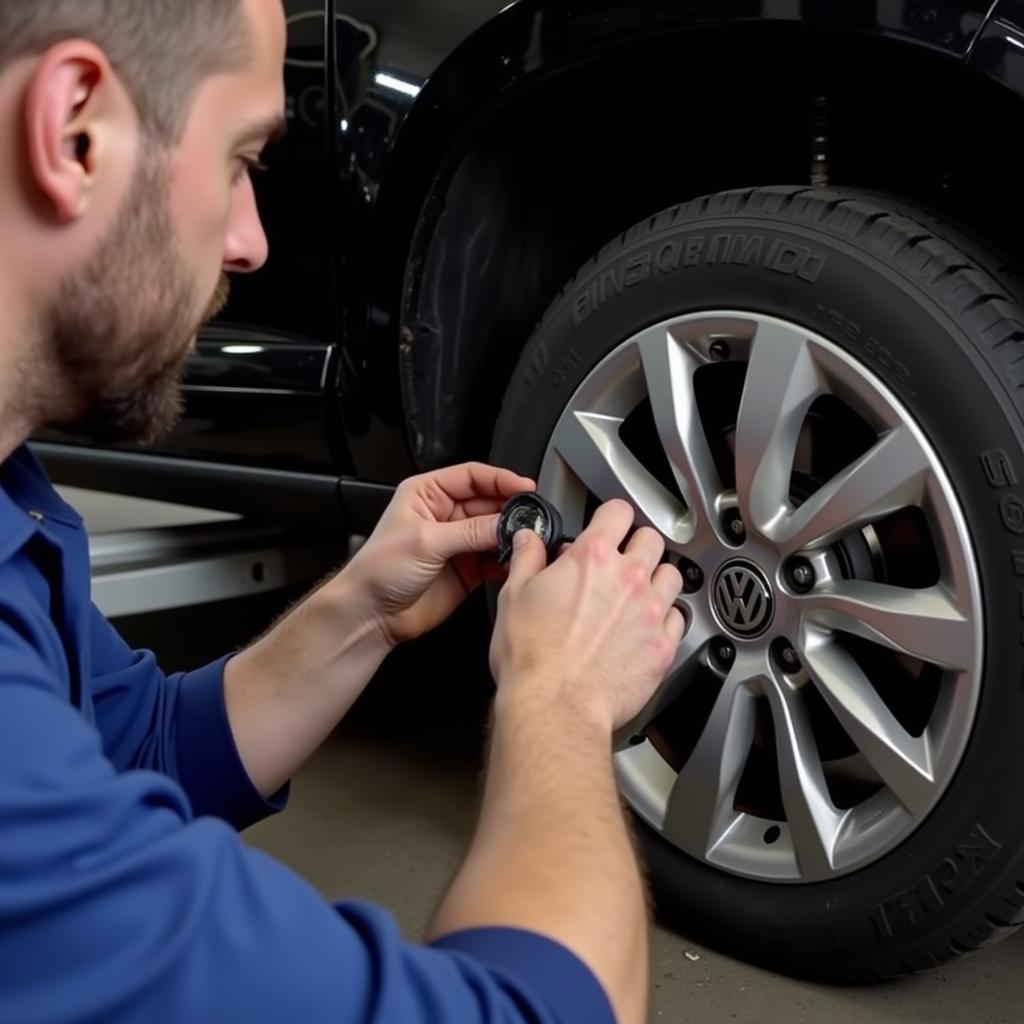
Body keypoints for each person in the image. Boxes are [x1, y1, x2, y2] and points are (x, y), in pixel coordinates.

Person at [0, 1, 686, 1022]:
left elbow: (130, 750)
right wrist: (560, 699)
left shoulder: (16, 502)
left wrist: (362, 607)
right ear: (74, 130)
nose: (250, 244)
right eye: (241, 162)